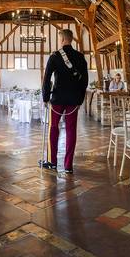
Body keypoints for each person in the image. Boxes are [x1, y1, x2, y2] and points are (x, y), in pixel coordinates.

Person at [42, 29, 88, 174]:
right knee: (71, 131)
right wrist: (80, 99)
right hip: (73, 100)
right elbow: (85, 81)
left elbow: (47, 78)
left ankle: (53, 162)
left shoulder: (55, 56)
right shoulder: (80, 57)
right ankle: (68, 166)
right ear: (72, 39)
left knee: (54, 129)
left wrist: (45, 97)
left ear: (62, 40)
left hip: (57, 99)